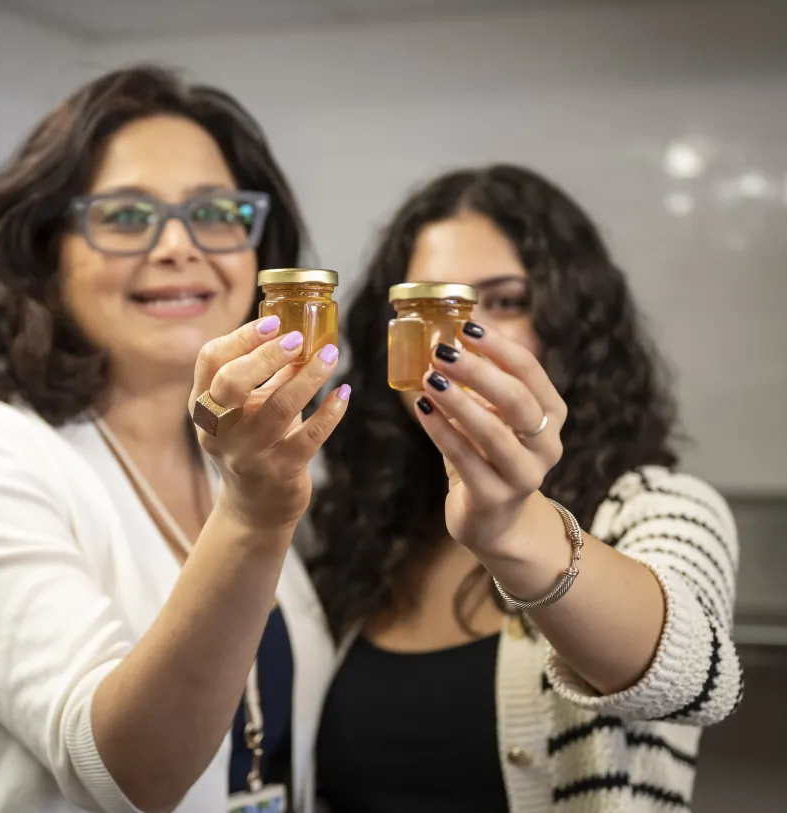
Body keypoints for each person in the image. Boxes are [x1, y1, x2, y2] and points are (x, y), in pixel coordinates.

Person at [0, 66, 349, 813]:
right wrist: (253, 518)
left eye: (217, 211)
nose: (179, 247)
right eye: (126, 217)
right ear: (47, 254)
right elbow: (126, 772)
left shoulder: (241, 455)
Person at [310, 164, 743, 812]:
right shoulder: (363, 528)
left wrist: (515, 529)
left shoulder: (657, 505)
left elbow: (694, 679)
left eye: (504, 301)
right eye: (428, 306)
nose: (456, 334)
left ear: (571, 324)